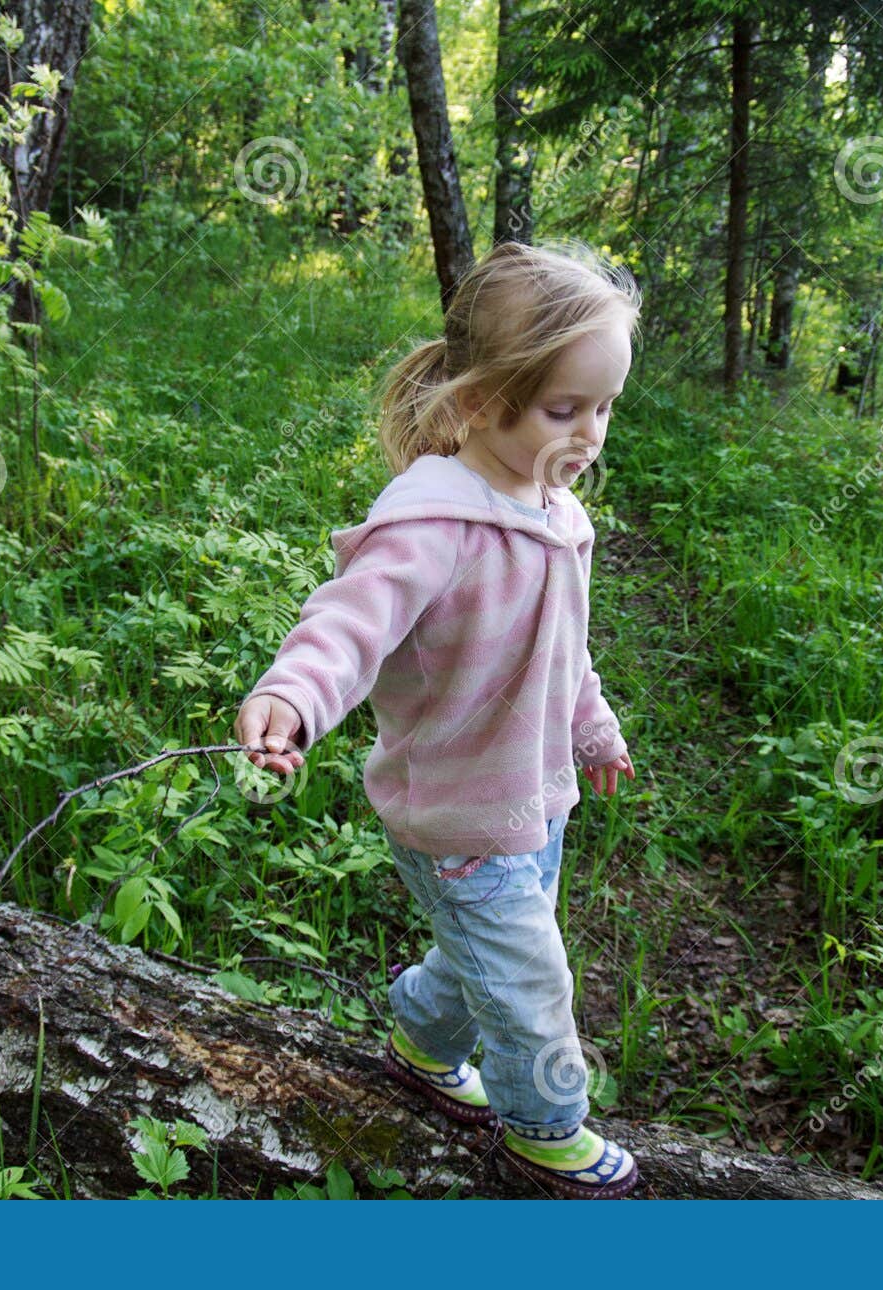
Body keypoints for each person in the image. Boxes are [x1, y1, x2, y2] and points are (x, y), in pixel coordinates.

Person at [234, 238, 641, 1199]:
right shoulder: (433, 522)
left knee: (483, 956)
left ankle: (421, 1042)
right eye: (563, 410)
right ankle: (545, 1128)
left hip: (534, 800)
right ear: (479, 401)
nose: (590, 435)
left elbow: (564, 650)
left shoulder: (556, 514)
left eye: (605, 409)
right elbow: (348, 623)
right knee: (531, 976)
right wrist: (292, 693)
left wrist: (593, 727)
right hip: (457, 813)